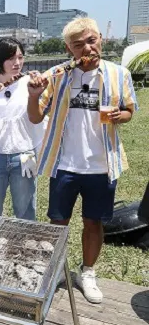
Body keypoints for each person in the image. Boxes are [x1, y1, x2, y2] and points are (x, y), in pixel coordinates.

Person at [27, 17, 138, 304]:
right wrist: (34, 95)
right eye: (79, 45)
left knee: (93, 222)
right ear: (69, 49)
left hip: (102, 163)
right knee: (57, 221)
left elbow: (129, 110)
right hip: (65, 163)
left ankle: (87, 272)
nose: (87, 48)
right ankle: (58, 270)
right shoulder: (58, 74)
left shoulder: (118, 74)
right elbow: (36, 116)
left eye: (91, 40)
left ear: (101, 38)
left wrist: (119, 116)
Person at [0, 38, 46, 232]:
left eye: (20, 57)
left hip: (24, 154)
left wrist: (37, 92)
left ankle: (25, 248)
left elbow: (39, 114)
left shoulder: (29, 83)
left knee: (26, 208)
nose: (17, 63)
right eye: (11, 58)